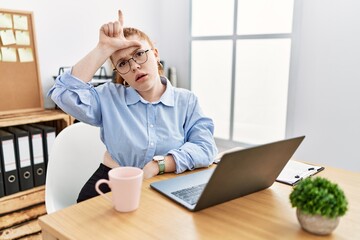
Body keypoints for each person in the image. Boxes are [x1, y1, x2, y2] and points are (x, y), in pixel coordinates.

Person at [48, 10, 218, 202]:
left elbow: (206, 148)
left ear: (155, 54)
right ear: (119, 71)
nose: (135, 66)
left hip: (165, 181)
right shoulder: (109, 97)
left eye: (139, 54)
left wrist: (159, 164)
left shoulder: (186, 101)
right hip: (112, 182)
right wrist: (103, 48)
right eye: (122, 63)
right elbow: (62, 93)